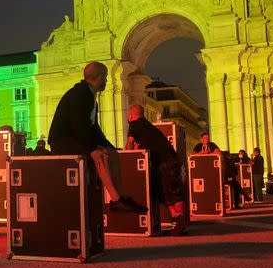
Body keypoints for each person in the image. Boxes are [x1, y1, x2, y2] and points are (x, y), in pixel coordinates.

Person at [48, 62, 146, 213]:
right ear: (98, 77)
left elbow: (94, 128)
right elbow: (78, 126)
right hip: (62, 141)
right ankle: (115, 198)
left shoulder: (89, 95)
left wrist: (109, 145)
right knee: (99, 154)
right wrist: (92, 148)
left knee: (111, 153)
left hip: (75, 138)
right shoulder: (80, 94)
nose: (106, 80)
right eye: (105, 77)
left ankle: (122, 197)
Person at [124, 105, 186, 234]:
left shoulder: (134, 125)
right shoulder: (147, 126)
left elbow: (130, 145)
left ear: (131, 115)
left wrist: (124, 158)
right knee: (164, 191)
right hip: (168, 160)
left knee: (172, 191)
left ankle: (181, 220)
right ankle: (177, 219)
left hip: (165, 161)